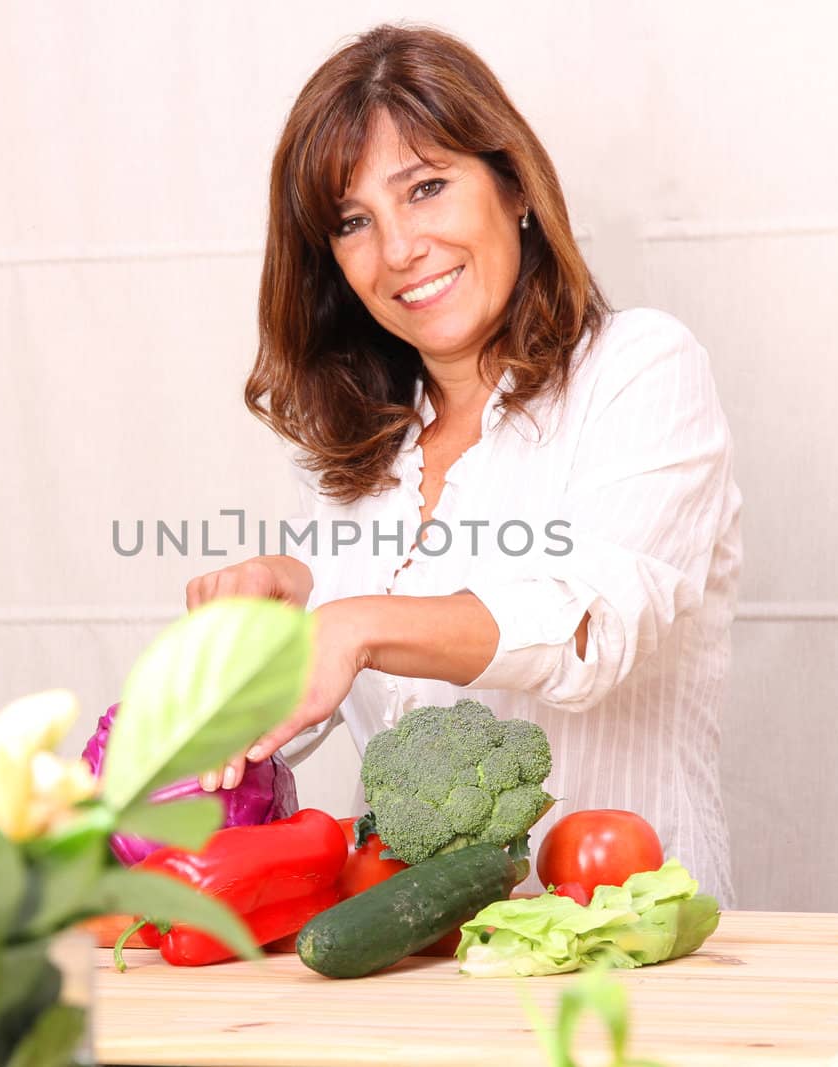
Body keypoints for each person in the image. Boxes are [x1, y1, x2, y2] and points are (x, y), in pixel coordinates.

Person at [185, 23, 742, 905]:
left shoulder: (640, 371)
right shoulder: (357, 452)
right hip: (417, 961)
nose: (398, 249)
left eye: (427, 188)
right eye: (353, 222)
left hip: (628, 956)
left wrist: (357, 620)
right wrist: (271, 624)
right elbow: (295, 724)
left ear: (514, 185)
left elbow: (588, 629)